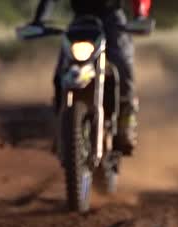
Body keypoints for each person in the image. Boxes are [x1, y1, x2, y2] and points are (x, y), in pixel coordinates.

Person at [26, 0, 149, 154]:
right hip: (81, 21)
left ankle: (126, 123)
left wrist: (141, 15)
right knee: (61, 73)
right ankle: (62, 127)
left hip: (112, 19)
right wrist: (39, 20)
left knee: (123, 63)